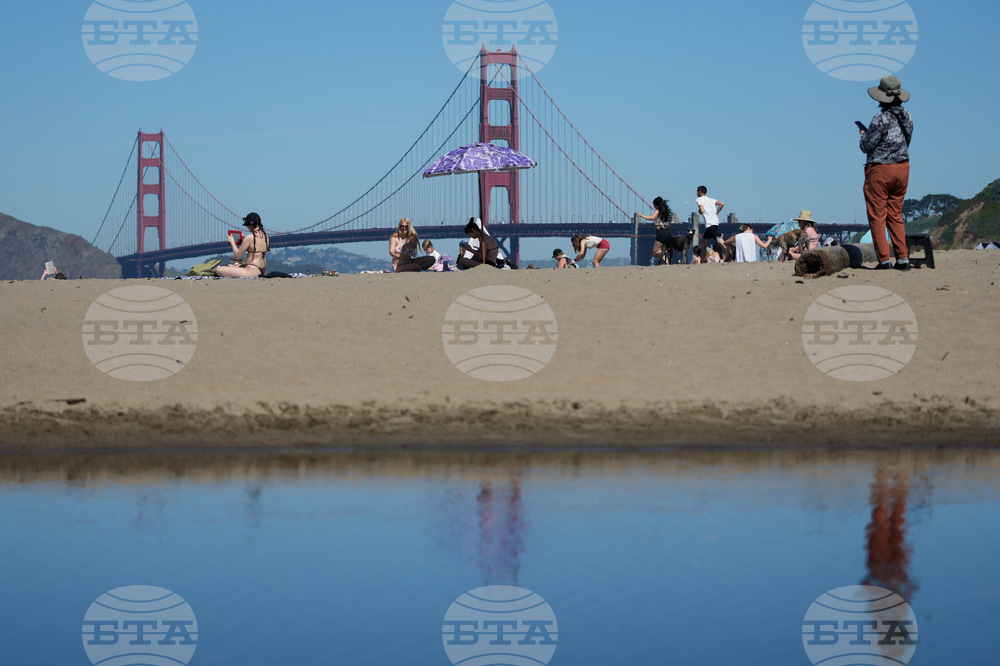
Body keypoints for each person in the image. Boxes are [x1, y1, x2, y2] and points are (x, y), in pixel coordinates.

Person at [859, 75, 913, 271]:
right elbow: (906, 141)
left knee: (877, 215)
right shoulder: (908, 117)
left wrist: (863, 135)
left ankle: (884, 260)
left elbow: (866, 147)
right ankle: (903, 258)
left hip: (880, 170)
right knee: (895, 214)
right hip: (902, 168)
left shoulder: (880, 118)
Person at [217, 212, 270, 277]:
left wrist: (232, 241)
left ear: (250, 225)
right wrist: (244, 240)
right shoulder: (266, 236)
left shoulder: (249, 237)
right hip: (262, 270)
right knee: (233, 266)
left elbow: (238, 255)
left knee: (219, 269)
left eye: (247, 225)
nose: (247, 227)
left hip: (252, 271)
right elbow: (255, 248)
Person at [636, 196, 674, 264]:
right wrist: (655, 225)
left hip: (661, 233)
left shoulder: (657, 210)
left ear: (657, 205)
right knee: (661, 253)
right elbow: (663, 222)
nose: (654, 206)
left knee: (655, 252)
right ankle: (667, 264)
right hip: (668, 232)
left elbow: (652, 218)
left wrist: (641, 215)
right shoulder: (666, 212)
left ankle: (667, 251)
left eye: (654, 205)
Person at [696, 185, 725, 264]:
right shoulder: (711, 200)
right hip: (715, 223)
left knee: (719, 240)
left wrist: (700, 211)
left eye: (697, 191)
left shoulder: (699, 199)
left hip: (710, 224)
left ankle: (730, 251)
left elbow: (702, 210)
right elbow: (722, 204)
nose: (696, 193)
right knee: (703, 242)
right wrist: (717, 213)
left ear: (699, 191)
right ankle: (703, 261)